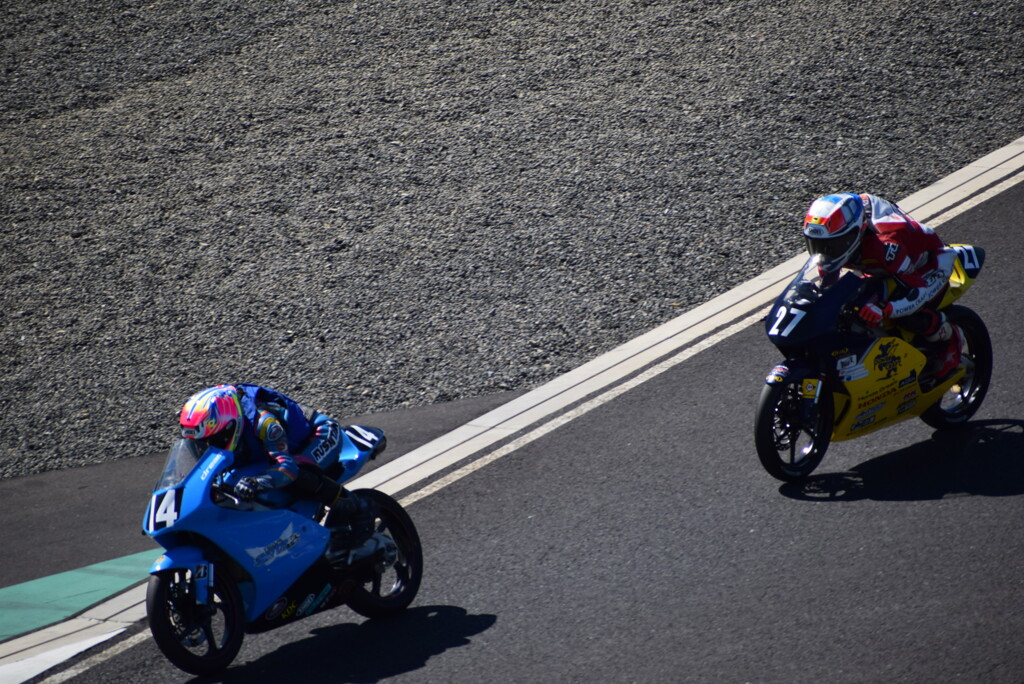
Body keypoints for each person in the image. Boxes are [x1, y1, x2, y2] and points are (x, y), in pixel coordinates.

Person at [178, 383, 376, 567]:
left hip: (319, 435)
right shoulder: (220, 432)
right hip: (267, 453)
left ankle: (356, 506)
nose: (206, 447)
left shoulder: (265, 422)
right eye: (199, 443)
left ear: (231, 426)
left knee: (298, 473)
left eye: (212, 440)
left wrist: (258, 482)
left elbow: (286, 467)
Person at [801, 192, 962, 382]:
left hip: (928, 264)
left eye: (831, 246)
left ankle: (950, 340)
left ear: (853, 235)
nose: (824, 253)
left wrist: (887, 310)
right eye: (817, 245)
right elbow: (828, 287)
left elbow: (918, 291)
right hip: (884, 267)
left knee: (907, 314)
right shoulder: (840, 238)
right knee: (847, 305)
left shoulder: (886, 248)